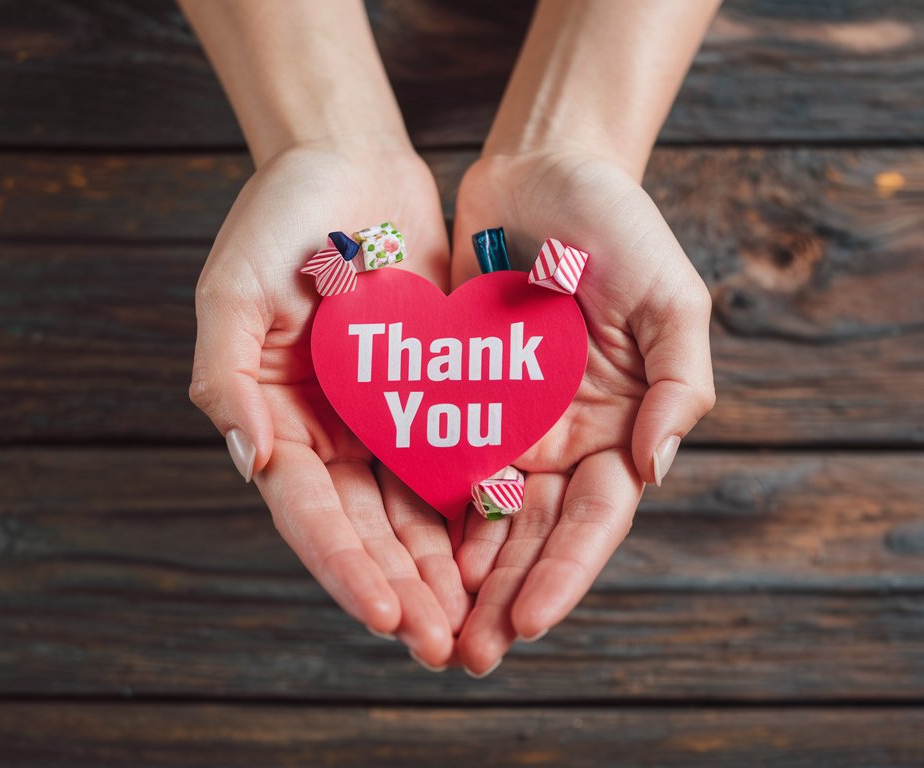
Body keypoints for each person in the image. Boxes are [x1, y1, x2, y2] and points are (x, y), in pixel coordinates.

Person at [179, 0, 719, 678]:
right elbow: (336, 266)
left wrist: (573, 149)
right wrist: (320, 144)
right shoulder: (346, 278)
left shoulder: (534, 302)